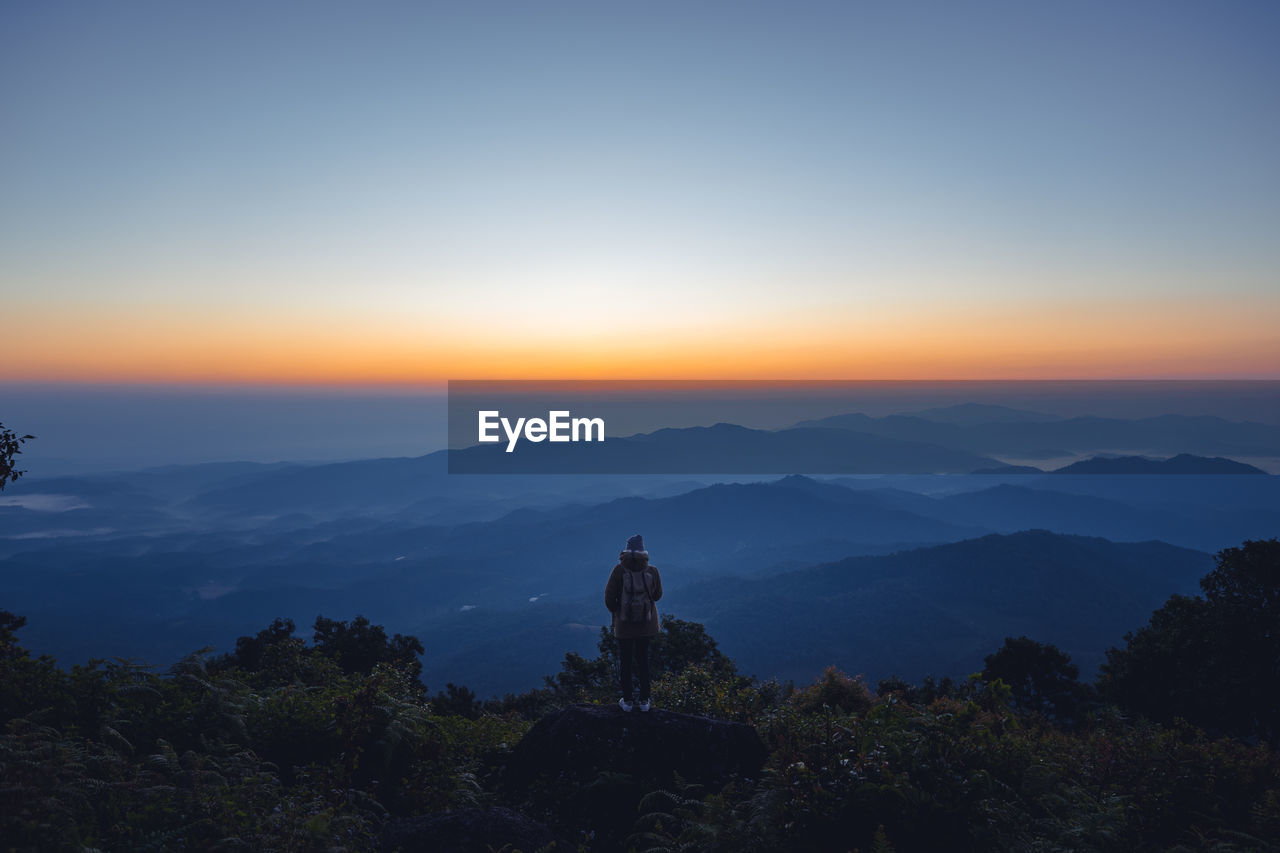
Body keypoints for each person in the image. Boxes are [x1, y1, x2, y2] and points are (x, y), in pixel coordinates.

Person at [604, 533, 663, 712]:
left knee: (626, 662)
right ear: (643, 550)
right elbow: (658, 595)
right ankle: (645, 701)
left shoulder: (619, 570)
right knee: (643, 660)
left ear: (626, 550)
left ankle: (628, 701)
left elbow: (609, 596)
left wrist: (617, 610)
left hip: (624, 626)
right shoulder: (652, 571)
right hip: (646, 624)